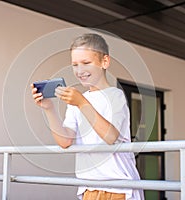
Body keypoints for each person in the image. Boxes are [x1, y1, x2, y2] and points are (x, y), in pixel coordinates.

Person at [32, 33, 144, 200]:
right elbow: (65, 141)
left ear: (104, 62)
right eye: (75, 65)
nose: (80, 70)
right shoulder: (77, 100)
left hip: (119, 187)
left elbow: (110, 136)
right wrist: (49, 109)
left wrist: (81, 102)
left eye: (86, 63)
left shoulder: (115, 96)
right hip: (89, 187)